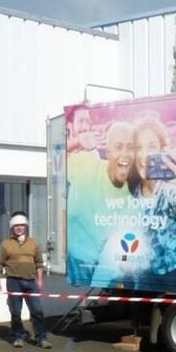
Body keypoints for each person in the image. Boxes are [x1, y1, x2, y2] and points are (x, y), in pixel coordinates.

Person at [127, 115, 176, 293]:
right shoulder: (133, 194)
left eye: (151, 147)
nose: (144, 155)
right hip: (147, 276)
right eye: (138, 147)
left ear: (162, 150)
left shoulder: (170, 188)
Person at [67, 121, 135, 284]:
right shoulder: (88, 164)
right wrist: (76, 142)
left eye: (130, 147)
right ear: (108, 150)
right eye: (118, 147)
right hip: (77, 262)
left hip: (108, 266)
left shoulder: (136, 187)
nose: (124, 153)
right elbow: (55, 162)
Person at [0, 212, 52, 349]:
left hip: (31, 281)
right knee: (15, 312)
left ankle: (42, 338)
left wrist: (39, 280)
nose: (19, 228)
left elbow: (39, 263)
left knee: (37, 311)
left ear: (25, 226)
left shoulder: (33, 243)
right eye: (16, 226)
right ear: (12, 227)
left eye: (21, 225)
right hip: (14, 282)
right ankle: (18, 337)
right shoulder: (6, 244)